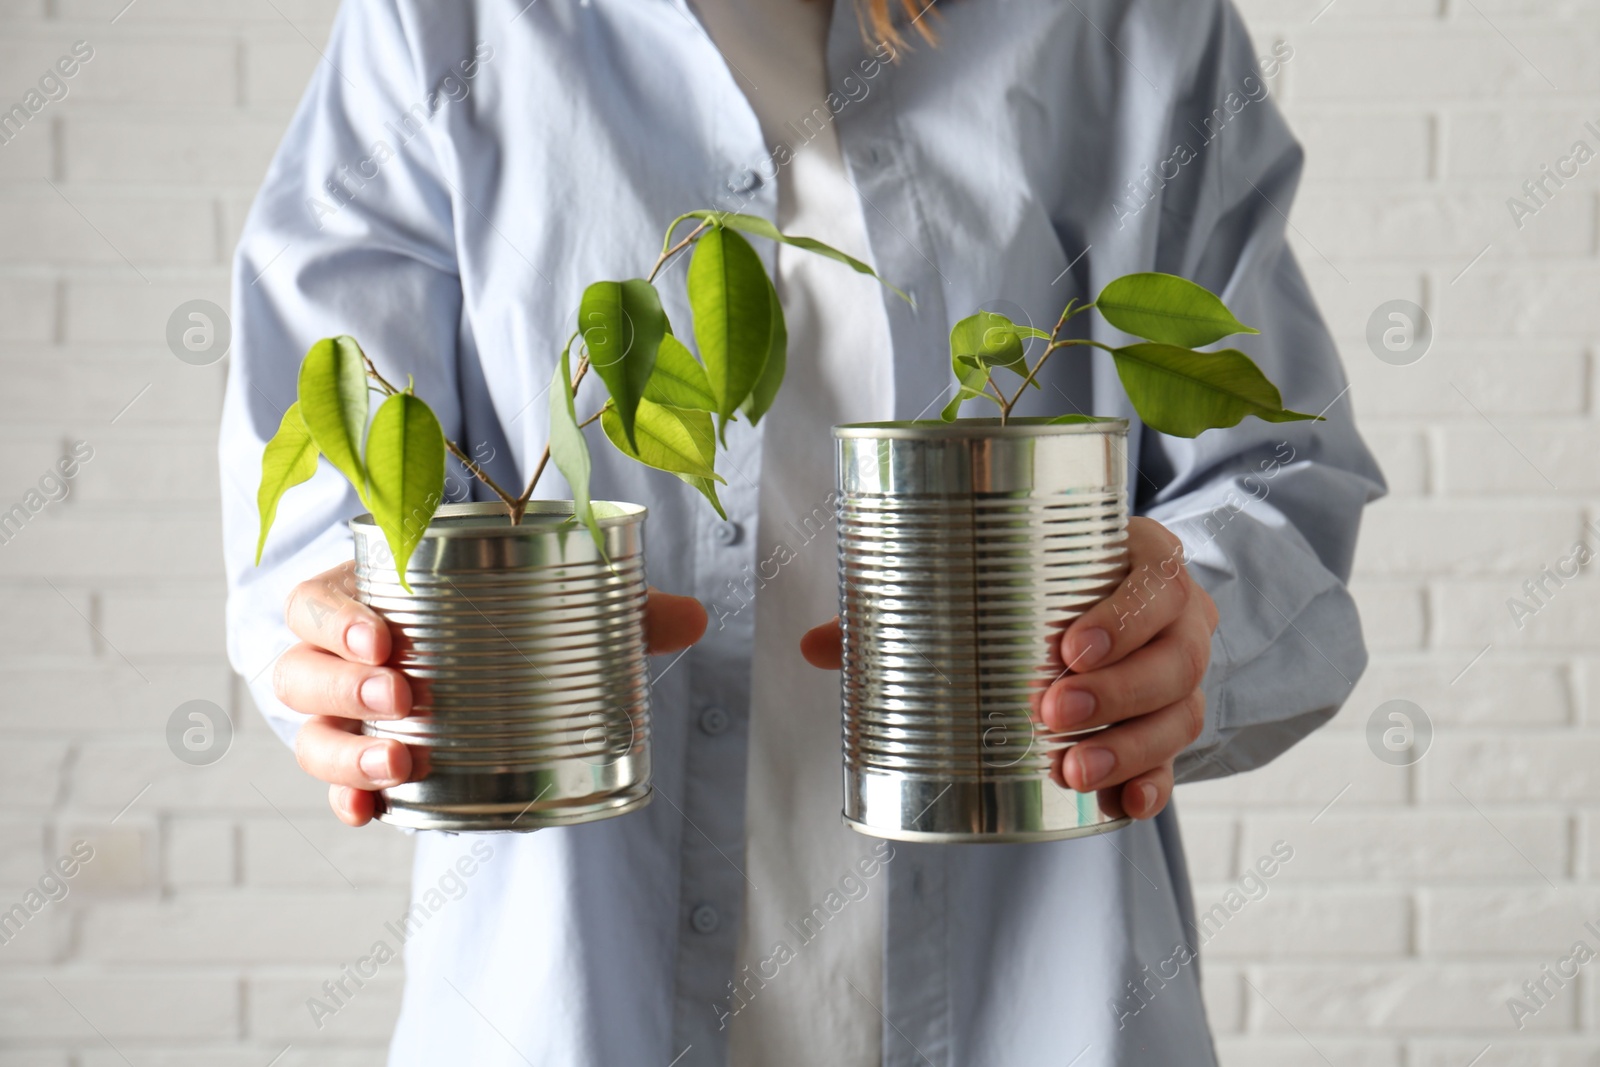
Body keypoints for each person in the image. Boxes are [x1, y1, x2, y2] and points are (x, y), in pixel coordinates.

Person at [220, 0, 1384, 1063]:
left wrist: (1180, 632)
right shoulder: (445, 26)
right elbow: (330, 501)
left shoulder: (1122, 24)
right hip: (564, 1000)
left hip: (1047, 1003)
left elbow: (1280, 477)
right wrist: (353, 659)